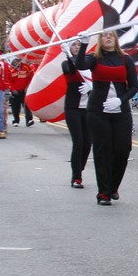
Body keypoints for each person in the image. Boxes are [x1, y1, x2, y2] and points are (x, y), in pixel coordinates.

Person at [74, 31, 138, 205]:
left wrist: (121, 100)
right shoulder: (94, 58)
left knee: (123, 150)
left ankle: (113, 186)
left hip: (121, 111)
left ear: (116, 39)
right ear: (100, 40)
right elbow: (79, 65)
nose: (108, 37)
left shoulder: (126, 60)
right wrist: (84, 44)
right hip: (97, 112)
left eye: (111, 35)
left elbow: (134, 86)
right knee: (102, 152)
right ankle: (103, 192)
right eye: (104, 35)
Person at [61, 39, 92, 189]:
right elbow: (72, 70)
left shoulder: (89, 62)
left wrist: (90, 86)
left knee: (88, 143)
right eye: (74, 45)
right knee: (78, 142)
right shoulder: (66, 63)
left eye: (79, 45)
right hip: (73, 108)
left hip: (89, 108)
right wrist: (67, 54)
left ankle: (80, 167)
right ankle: (76, 176)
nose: (76, 47)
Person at [9, 57, 36, 126]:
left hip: (24, 90)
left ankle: (29, 120)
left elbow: (30, 76)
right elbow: (9, 81)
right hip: (15, 91)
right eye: (14, 61)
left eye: (17, 61)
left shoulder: (25, 67)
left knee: (27, 105)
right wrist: (13, 89)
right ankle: (16, 121)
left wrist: (28, 86)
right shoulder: (10, 70)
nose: (16, 63)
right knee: (15, 107)